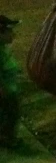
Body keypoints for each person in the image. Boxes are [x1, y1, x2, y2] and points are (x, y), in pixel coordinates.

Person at [0, 15, 21, 149]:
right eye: (9, 31)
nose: (13, 34)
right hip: (5, 95)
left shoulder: (3, 49)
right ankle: (6, 139)